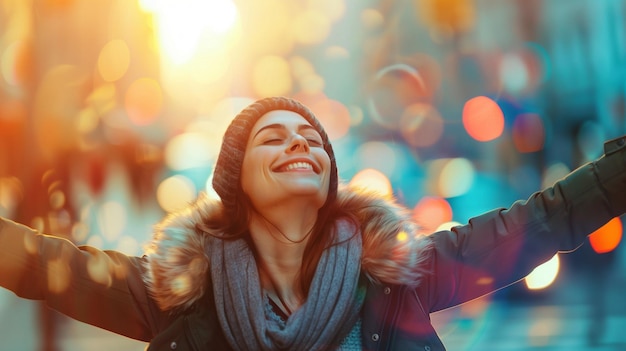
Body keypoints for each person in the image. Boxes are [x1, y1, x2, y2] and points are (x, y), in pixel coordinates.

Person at [1, 96, 625, 351]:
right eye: (274, 138)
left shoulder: (401, 275)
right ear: (236, 181)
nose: (300, 144)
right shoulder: (174, 294)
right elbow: (35, 264)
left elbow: (546, 220)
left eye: (313, 139)